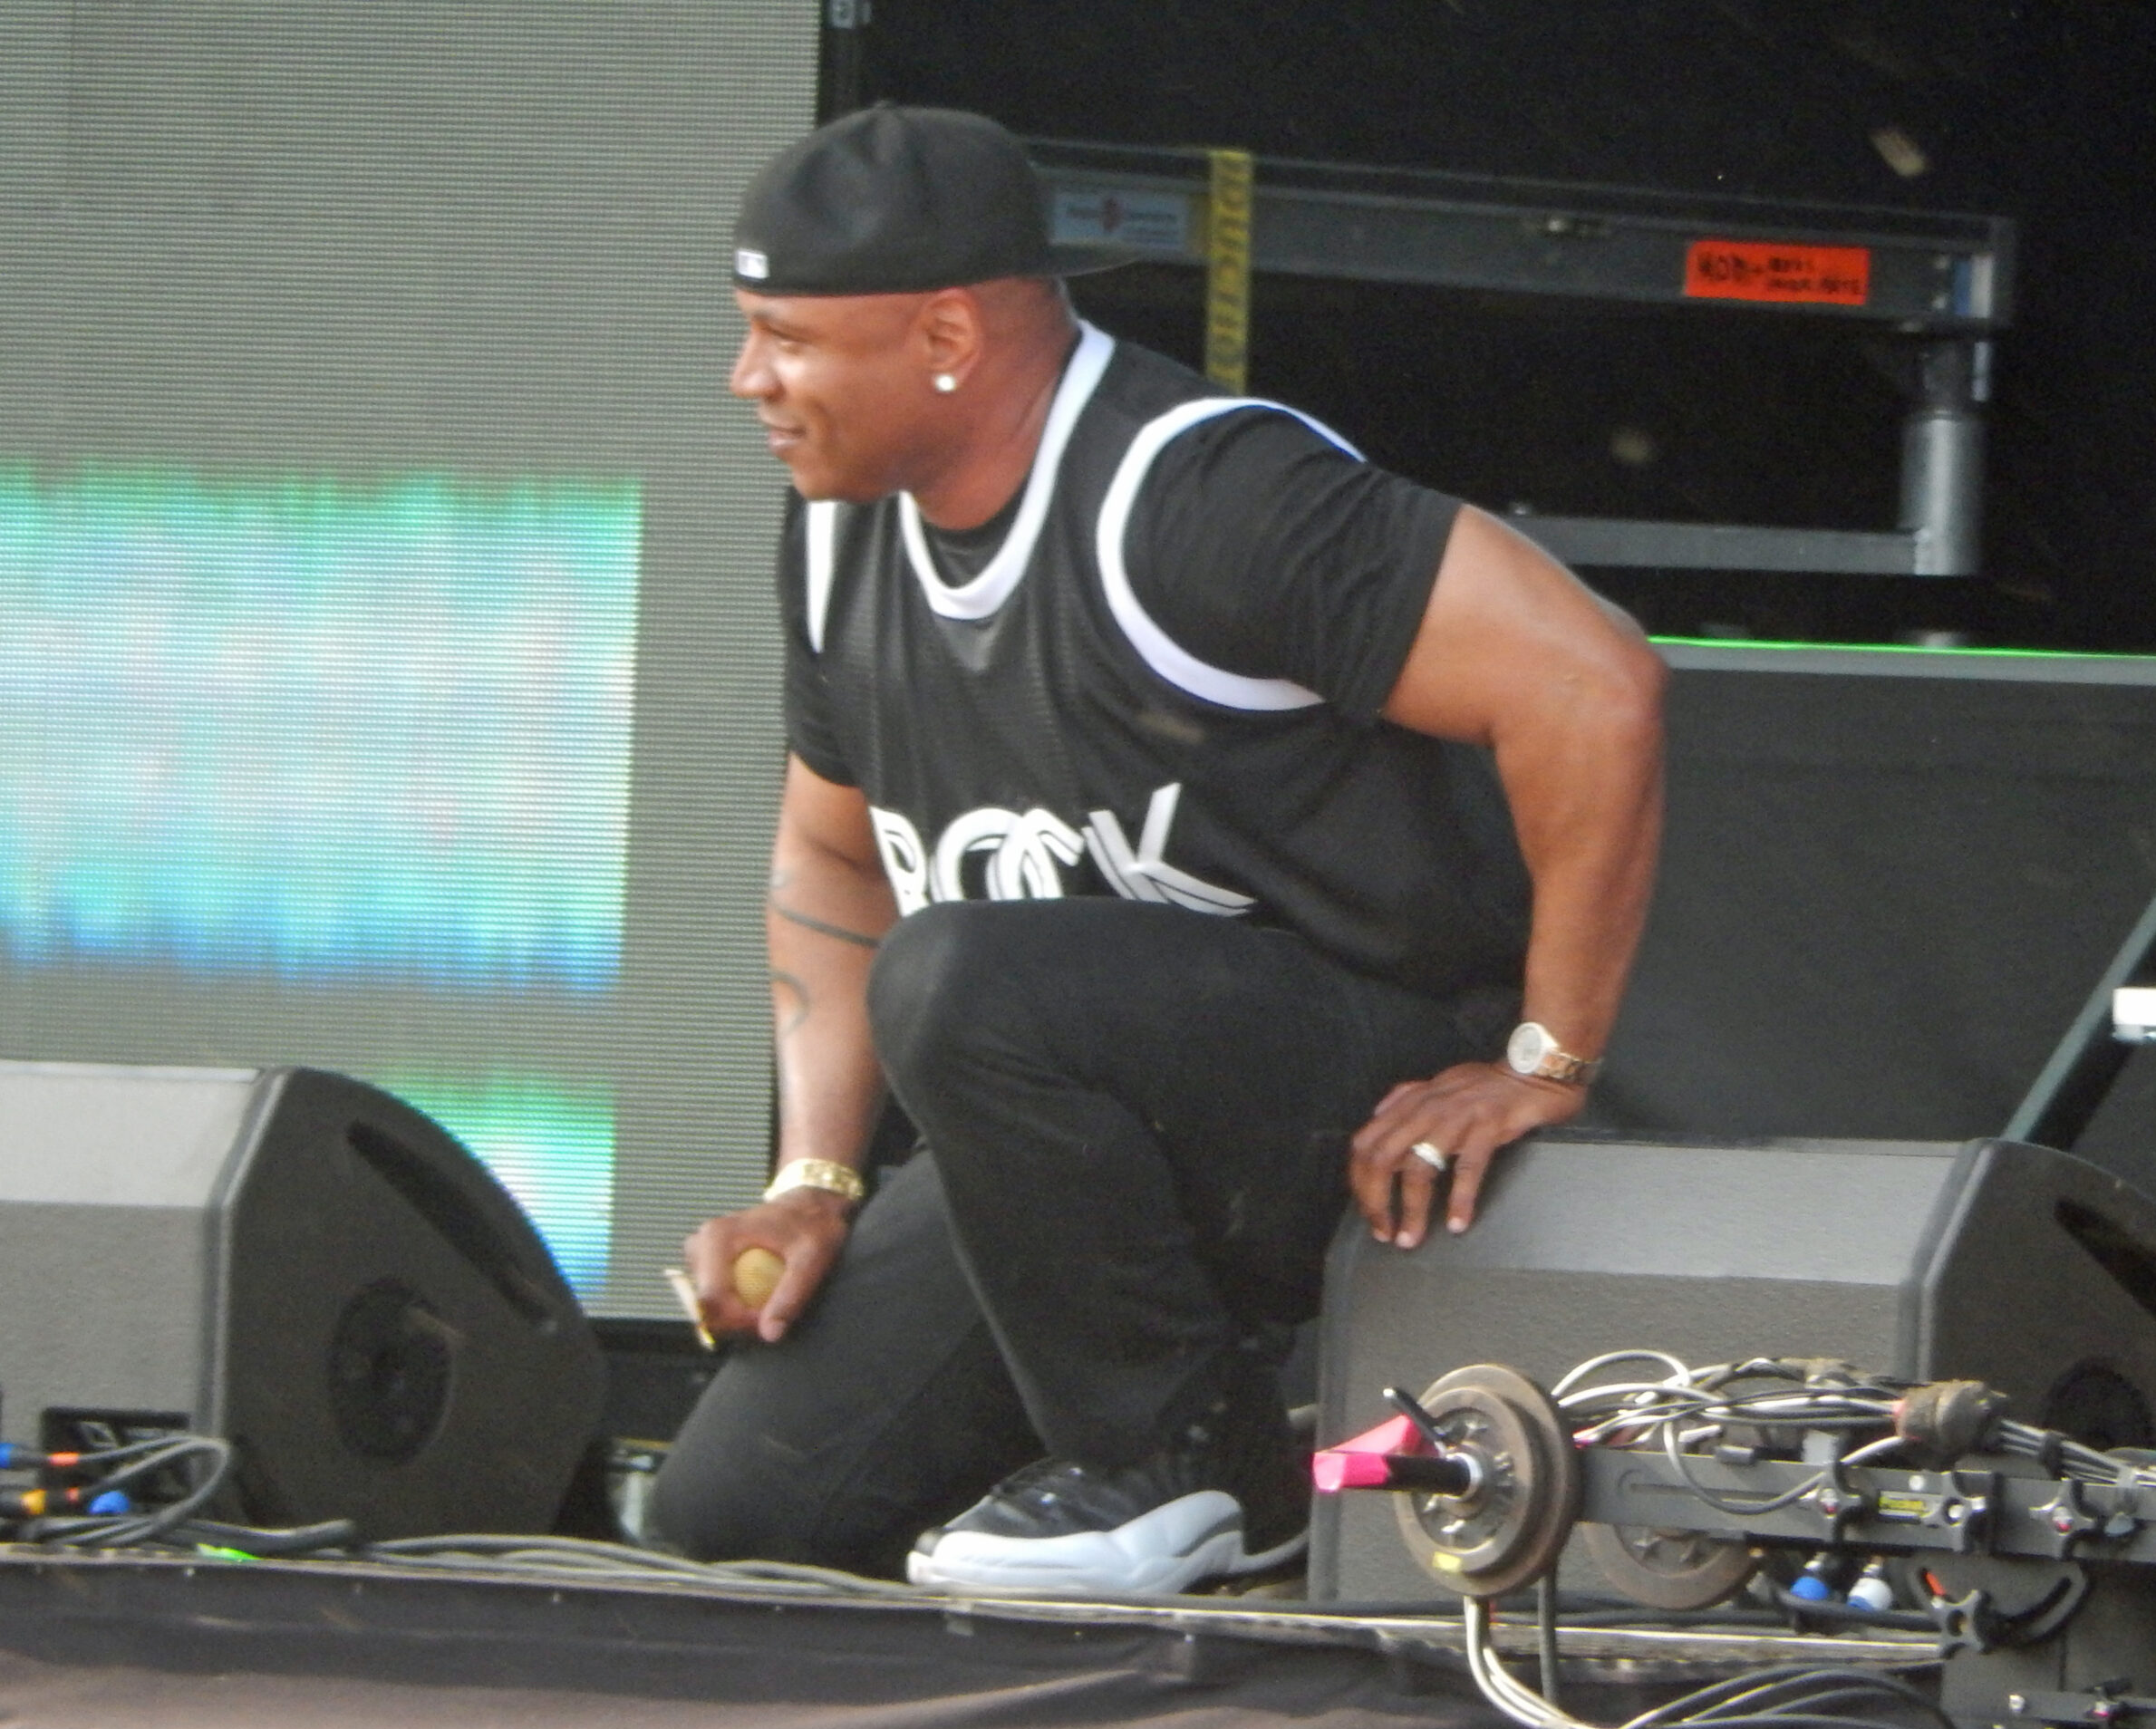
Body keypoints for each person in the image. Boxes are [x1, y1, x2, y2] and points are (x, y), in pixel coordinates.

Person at [647, 103, 1664, 1598]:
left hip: (1362, 1092)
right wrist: (815, 1178)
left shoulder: (1199, 493)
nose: (749, 380)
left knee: (963, 978)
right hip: (1082, 1134)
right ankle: (1119, 1480)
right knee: (737, 1509)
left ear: (945, 334)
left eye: (784, 339)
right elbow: (833, 858)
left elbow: (1594, 683)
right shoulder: (839, 528)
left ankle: (1184, 1462)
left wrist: (1546, 1059)